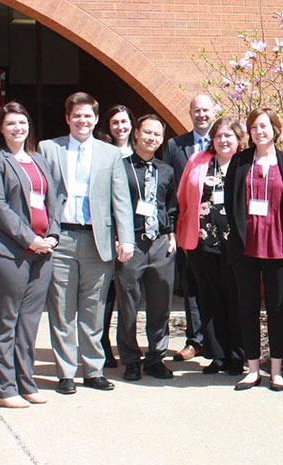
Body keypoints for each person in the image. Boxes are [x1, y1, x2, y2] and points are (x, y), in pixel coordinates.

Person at [41, 91, 134, 394]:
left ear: (95, 119)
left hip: (98, 238)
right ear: (68, 119)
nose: (82, 121)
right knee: (62, 308)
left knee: (94, 307)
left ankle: (93, 369)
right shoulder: (48, 149)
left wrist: (126, 239)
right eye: (76, 116)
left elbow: (121, 200)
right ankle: (65, 372)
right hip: (62, 237)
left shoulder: (110, 153)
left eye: (88, 116)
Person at [0, 101, 59, 408]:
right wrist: (30, 239)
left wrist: (53, 235)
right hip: (5, 252)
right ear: (0, 128)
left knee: (29, 322)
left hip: (42, 252)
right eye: (10, 123)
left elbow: (53, 200)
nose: (17, 128)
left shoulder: (38, 159)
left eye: (22, 123)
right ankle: (2, 389)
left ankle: (27, 383)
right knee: (5, 320)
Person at [225, 107, 283, 392]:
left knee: (277, 309)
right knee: (247, 309)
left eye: (264, 126)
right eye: (254, 127)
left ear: (275, 129)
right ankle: (252, 369)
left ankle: (276, 371)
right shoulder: (240, 161)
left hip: (277, 246)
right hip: (246, 246)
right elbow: (231, 197)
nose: (259, 131)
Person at [176, 117, 247, 376]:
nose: (223, 140)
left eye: (229, 135)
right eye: (219, 136)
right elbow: (183, 197)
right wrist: (182, 233)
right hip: (202, 241)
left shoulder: (245, 164)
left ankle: (237, 355)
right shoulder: (198, 161)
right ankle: (217, 356)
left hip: (237, 245)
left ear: (238, 139)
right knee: (209, 298)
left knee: (235, 299)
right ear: (212, 140)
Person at [114, 114, 177, 381]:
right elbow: (112, 205)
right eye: (147, 132)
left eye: (157, 135)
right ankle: (130, 359)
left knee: (161, 303)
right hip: (132, 243)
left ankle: (155, 358)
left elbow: (171, 205)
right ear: (137, 133)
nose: (151, 138)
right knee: (128, 304)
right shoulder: (121, 167)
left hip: (161, 242)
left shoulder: (166, 170)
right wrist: (117, 238)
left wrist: (172, 233)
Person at [163, 94, 215, 362]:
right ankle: (195, 340)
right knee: (192, 285)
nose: (201, 114)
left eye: (206, 110)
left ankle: (218, 340)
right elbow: (169, 189)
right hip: (187, 228)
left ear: (214, 111)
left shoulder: (225, 141)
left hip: (218, 230)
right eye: (197, 110)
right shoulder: (175, 145)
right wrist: (171, 228)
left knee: (218, 284)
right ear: (190, 113)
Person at [96, 104, 135, 369]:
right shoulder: (103, 153)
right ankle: (102, 344)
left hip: (138, 233)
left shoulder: (142, 151)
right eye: (115, 123)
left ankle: (129, 345)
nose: (120, 127)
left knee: (130, 292)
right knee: (107, 292)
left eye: (124, 121)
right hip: (112, 232)